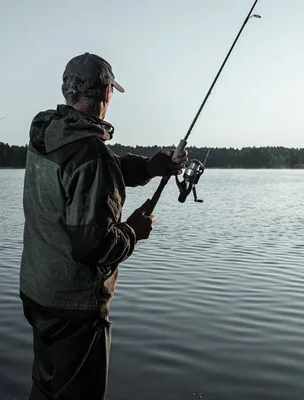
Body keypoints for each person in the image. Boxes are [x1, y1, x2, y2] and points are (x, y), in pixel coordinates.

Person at [19, 52, 188, 400]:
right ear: (107, 93)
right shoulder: (90, 154)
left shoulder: (49, 133)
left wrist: (149, 167)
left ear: (67, 91)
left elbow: (93, 172)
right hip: (74, 306)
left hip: (38, 291)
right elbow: (92, 246)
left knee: (46, 389)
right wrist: (133, 231)